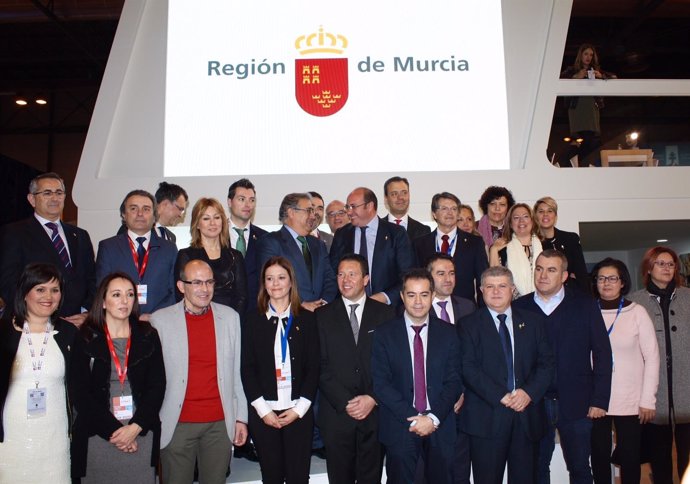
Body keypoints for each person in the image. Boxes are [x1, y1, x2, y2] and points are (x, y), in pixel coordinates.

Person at [513, 250, 612, 484]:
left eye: (551, 270)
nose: (543, 275)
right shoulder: (519, 308)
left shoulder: (585, 305)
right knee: (537, 467)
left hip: (577, 402)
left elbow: (602, 353)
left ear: (565, 275)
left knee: (579, 468)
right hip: (534, 403)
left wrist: (600, 399)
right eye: (539, 269)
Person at [151, 259, 248, 484]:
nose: (204, 289)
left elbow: (236, 374)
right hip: (177, 424)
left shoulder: (231, 318)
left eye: (209, 282)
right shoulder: (160, 321)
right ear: (180, 286)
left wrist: (241, 418)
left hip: (219, 424)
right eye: (196, 282)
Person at [459, 266, 554, 484]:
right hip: (486, 418)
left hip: (526, 417)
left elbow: (546, 364)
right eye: (490, 287)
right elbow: (468, 367)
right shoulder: (467, 325)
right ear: (481, 290)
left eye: (502, 286)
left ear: (512, 289)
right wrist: (500, 395)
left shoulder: (534, 322)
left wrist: (528, 393)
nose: (496, 292)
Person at [71, 272, 166, 483]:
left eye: (130, 294)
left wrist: (134, 428)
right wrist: (116, 431)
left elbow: (157, 387)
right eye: (116, 294)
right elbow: (79, 393)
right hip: (98, 433)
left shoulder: (148, 334)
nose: (124, 301)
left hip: (140, 432)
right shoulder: (86, 337)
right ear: (103, 301)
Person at [371, 269, 461, 484]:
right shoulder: (384, 333)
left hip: (440, 426)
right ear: (402, 296)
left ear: (432, 296)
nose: (418, 301)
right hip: (400, 426)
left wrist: (432, 418)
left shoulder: (449, 333)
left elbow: (455, 380)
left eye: (424, 294)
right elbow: (381, 383)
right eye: (411, 295)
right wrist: (413, 418)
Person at [315, 253, 395, 484]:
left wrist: (372, 398)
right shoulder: (322, 316)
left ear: (366, 279)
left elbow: (392, 365)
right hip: (337, 413)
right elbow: (319, 366)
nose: (345, 280)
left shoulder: (386, 315)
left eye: (352, 274)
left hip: (375, 414)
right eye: (341, 274)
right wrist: (346, 402)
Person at [241, 256, 320, 484]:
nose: (275, 284)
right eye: (269, 278)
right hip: (264, 414)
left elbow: (313, 367)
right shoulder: (252, 320)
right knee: (271, 477)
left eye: (281, 278)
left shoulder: (306, 319)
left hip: (299, 413)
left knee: (298, 477)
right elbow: (247, 368)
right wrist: (264, 411)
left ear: (291, 282)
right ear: (263, 284)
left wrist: (299, 409)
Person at [0, 263, 79, 483]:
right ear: (25, 293)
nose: (49, 296)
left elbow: (78, 387)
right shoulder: (4, 332)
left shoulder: (68, 334)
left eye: (55, 290)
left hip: (55, 438)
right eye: (40, 289)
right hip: (11, 439)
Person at [589, 258, 659, 484]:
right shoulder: (587, 312)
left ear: (622, 282)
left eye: (612, 278)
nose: (606, 283)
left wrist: (648, 399)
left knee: (629, 458)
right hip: (596, 399)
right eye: (601, 278)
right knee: (598, 457)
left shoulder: (637, 312)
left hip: (630, 399)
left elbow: (652, 357)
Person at [0, 172, 96, 326]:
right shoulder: (14, 233)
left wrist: (87, 313)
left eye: (59, 193)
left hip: (77, 325)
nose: (54, 198)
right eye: (47, 193)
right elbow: (8, 281)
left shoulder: (80, 235)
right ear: (32, 199)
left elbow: (92, 278)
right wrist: (38, 315)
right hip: (33, 324)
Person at [630, 247, 690, 484]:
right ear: (648, 268)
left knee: (687, 456)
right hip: (654, 394)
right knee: (659, 456)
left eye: (671, 264)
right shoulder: (635, 302)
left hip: (687, 389)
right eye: (660, 263)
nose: (667, 268)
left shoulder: (688, 297)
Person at [96, 189, 177, 319]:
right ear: (123, 214)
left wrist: (155, 316)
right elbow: (102, 289)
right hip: (119, 322)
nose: (140, 214)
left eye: (146, 209)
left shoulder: (169, 249)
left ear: (154, 216)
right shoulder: (108, 247)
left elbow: (174, 291)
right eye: (133, 209)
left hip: (159, 323)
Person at [330, 187, 415, 307]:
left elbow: (408, 275)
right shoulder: (342, 234)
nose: (349, 212)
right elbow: (333, 273)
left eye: (353, 206)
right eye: (347, 207)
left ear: (369, 206)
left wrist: (385, 297)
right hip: (349, 309)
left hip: (386, 310)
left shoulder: (396, 233)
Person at [257, 193, 337, 312]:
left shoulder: (318, 244)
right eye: (309, 210)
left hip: (320, 316)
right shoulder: (271, 242)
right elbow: (270, 283)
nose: (313, 216)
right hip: (290, 315)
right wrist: (301, 305)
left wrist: (323, 303)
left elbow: (330, 279)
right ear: (291, 212)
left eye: (314, 211)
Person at [175, 197, 247, 315]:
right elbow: (180, 295)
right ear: (197, 224)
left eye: (217, 218)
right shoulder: (186, 255)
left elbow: (242, 297)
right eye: (206, 218)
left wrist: (231, 322)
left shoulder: (235, 256)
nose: (212, 223)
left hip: (230, 321)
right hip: (196, 320)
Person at [414, 192, 488, 305]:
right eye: (444, 208)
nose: (450, 213)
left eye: (454, 209)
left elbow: (483, 281)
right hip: (429, 308)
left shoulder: (475, 243)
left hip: (464, 309)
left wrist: (482, 313)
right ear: (434, 214)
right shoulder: (420, 244)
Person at [560, 43, 616, 167]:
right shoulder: (572, 70)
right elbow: (560, 80)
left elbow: (614, 77)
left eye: (591, 55)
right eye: (586, 54)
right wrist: (576, 77)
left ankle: (574, 164)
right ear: (580, 55)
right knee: (584, 139)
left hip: (592, 109)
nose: (588, 57)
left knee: (593, 141)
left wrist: (601, 76)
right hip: (577, 109)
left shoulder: (596, 70)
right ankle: (570, 163)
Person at [227, 178, 268, 317]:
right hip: (223, 311)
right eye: (242, 199)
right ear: (229, 202)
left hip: (256, 312)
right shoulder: (216, 235)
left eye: (252, 200)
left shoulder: (265, 238)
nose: (247, 204)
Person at [533, 197, 589, 292]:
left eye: (550, 211)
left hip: (571, 295)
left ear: (555, 216)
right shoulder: (532, 242)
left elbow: (581, 274)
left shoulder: (570, 239)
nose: (545, 215)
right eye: (541, 211)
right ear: (535, 216)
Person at [490, 203, 543, 298]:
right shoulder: (501, 249)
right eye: (516, 218)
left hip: (542, 302)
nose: (521, 221)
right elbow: (495, 278)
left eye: (526, 216)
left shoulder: (544, 246)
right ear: (510, 223)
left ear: (532, 221)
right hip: (513, 305)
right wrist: (493, 250)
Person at [383, 176, 431, 241]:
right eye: (394, 194)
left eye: (404, 193)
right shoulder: (377, 228)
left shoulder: (423, 231)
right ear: (386, 199)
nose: (400, 197)